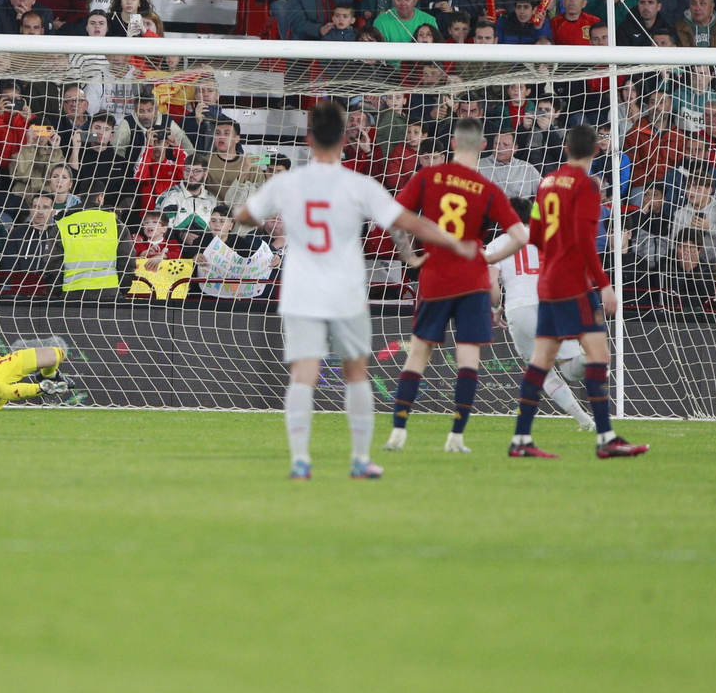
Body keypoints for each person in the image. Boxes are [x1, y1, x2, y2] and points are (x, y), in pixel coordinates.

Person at [234, 100, 478, 480]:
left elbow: (243, 216)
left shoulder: (287, 183)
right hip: (345, 293)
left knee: (303, 374)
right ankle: (361, 460)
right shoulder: (358, 185)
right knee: (356, 373)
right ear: (345, 139)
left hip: (301, 292)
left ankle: (301, 460)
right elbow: (408, 221)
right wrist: (453, 242)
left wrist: (254, 213)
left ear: (308, 138)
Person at [385, 119, 528, 454]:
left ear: (452, 143)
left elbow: (396, 218)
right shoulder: (487, 188)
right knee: (468, 360)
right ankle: (456, 438)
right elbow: (521, 235)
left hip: (435, 276)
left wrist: (409, 257)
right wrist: (489, 259)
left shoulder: (428, 176)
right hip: (472, 281)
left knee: (418, 354)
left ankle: (398, 433)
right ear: (482, 146)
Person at [507, 125, 650, 459]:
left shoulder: (546, 183)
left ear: (566, 148)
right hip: (573, 284)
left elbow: (538, 236)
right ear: (596, 150)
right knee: (598, 355)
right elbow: (588, 241)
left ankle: (521, 440)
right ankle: (606, 438)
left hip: (548, 281)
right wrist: (604, 283)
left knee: (540, 361)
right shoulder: (588, 185)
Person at [485, 218, 595, 430]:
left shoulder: (497, 244)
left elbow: (492, 287)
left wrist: (496, 310)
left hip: (519, 308)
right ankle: (587, 358)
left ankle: (585, 421)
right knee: (572, 370)